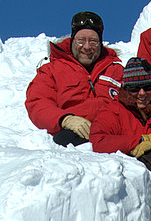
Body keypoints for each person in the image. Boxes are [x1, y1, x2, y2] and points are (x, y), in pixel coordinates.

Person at [26, 12, 123, 147]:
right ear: (72, 40)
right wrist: (65, 119)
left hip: (115, 134)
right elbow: (38, 103)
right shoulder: (51, 70)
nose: (87, 47)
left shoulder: (117, 70)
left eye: (93, 42)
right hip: (73, 138)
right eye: (81, 41)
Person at [90, 57, 151, 195]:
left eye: (147, 88)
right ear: (126, 89)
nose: (142, 93)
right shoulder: (113, 110)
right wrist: (140, 141)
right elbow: (99, 141)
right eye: (134, 89)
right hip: (133, 170)